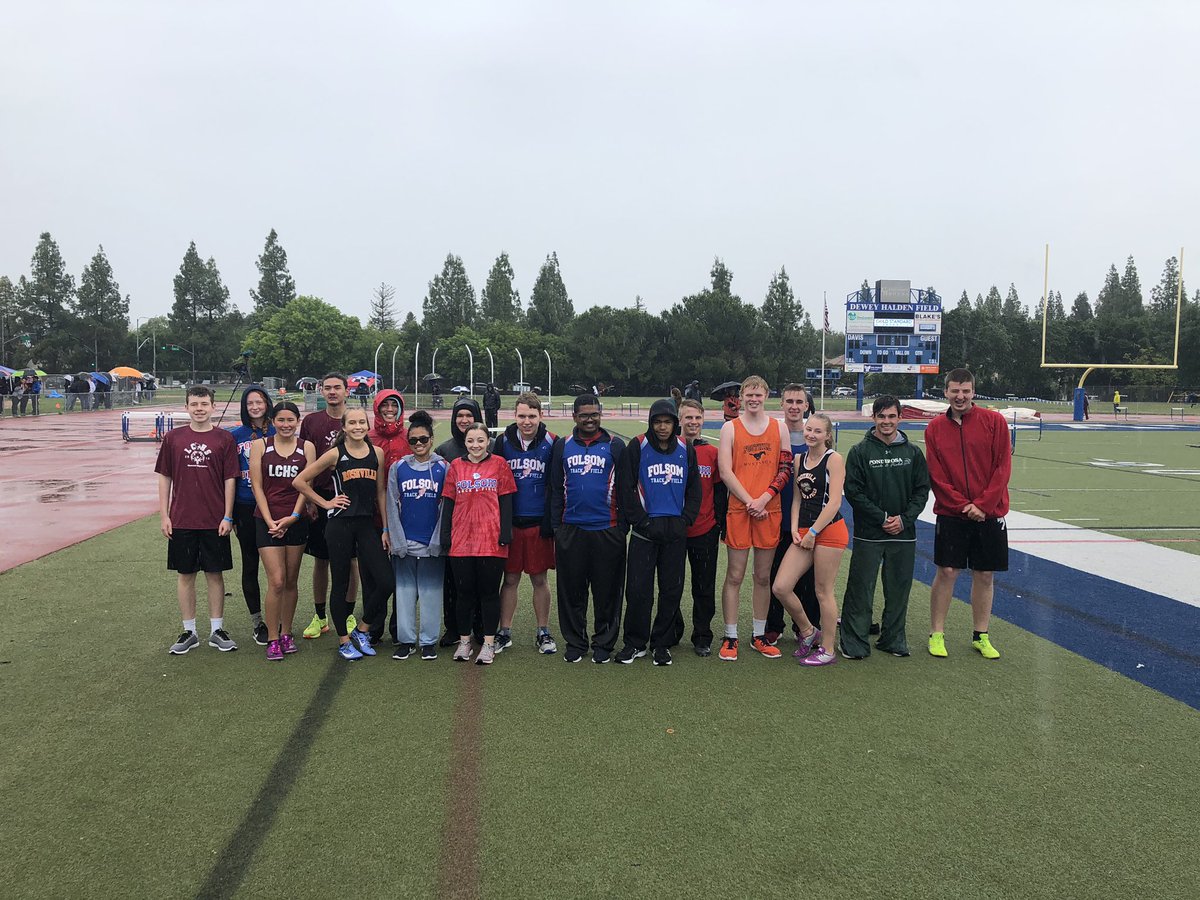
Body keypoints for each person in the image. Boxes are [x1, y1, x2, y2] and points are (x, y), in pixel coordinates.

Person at [924, 368, 1011, 660]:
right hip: (952, 513)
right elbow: (936, 475)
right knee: (947, 571)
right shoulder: (935, 428)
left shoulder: (994, 421)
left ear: (973, 391)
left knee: (984, 574)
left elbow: (1002, 468)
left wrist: (983, 505)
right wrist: (963, 505)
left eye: (965, 391)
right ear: (945, 392)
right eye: (954, 391)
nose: (960, 396)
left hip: (989, 513)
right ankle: (937, 633)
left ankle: (980, 635)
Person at [294, 407, 393, 661]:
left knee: (385, 581)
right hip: (339, 526)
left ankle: (362, 629)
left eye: (362, 422)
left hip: (366, 526)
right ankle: (344, 640)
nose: (358, 426)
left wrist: (384, 527)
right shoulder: (335, 454)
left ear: (368, 425)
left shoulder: (377, 453)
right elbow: (300, 481)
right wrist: (326, 503)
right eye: (353, 423)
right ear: (344, 427)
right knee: (340, 583)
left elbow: (380, 491)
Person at [838, 396, 931, 659]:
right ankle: (854, 642)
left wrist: (904, 519)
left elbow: (921, 490)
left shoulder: (913, 452)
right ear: (874, 418)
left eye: (891, 416)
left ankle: (893, 639)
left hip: (903, 534)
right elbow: (853, 492)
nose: (886, 422)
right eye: (881, 416)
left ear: (900, 417)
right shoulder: (860, 452)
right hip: (869, 533)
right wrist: (881, 517)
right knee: (861, 587)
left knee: (898, 588)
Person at [156, 385, 240, 655]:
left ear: (213, 407)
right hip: (182, 519)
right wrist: (164, 515)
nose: (199, 409)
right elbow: (164, 477)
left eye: (204, 404)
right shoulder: (173, 438)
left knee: (215, 574)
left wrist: (228, 514)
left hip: (215, 520)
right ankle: (189, 630)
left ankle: (216, 629)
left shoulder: (224, 439)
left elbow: (230, 479)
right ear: (186, 407)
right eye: (194, 404)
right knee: (186, 575)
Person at [616, 399, 700, 666]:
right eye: (658, 422)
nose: (662, 427)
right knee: (639, 590)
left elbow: (694, 489)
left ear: (675, 423)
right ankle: (634, 643)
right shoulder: (637, 445)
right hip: (645, 532)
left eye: (667, 422)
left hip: (675, 532)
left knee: (671, 591)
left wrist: (685, 520)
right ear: (651, 423)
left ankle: (661, 644)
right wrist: (640, 521)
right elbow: (625, 487)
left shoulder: (686, 449)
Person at [717, 376, 793, 661]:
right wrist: (750, 501)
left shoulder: (779, 427)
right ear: (741, 396)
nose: (753, 398)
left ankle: (758, 636)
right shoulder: (730, 428)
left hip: (769, 510)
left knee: (763, 576)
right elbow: (726, 472)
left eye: (758, 394)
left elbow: (785, 469)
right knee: (734, 575)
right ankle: (730, 636)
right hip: (740, 510)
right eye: (749, 394)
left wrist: (764, 498)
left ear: (766, 395)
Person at [548, 394, 627, 664]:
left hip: (608, 529)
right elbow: (556, 488)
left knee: (607, 591)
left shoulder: (616, 446)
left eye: (594, 414)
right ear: (574, 417)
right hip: (571, 530)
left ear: (600, 415)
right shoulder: (562, 446)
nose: (590, 419)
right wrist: (557, 527)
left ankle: (603, 643)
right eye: (584, 415)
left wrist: (622, 528)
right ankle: (576, 642)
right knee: (571, 590)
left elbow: (626, 490)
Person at [770, 413, 848, 666]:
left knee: (822, 591)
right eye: (809, 429)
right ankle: (807, 631)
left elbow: (835, 501)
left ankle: (827, 648)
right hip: (804, 531)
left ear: (827, 435)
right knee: (780, 586)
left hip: (829, 530)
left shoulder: (833, 459)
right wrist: (795, 529)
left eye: (818, 431)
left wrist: (813, 532)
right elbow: (796, 498)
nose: (811, 435)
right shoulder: (798, 459)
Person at [440, 422, 517, 665]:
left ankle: (488, 643)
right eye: (471, 441)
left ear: (487, 442)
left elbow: (506, 501)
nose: (476, 445)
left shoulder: (499, 464)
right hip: (461, 541)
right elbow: (449, 503)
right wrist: (445, 535)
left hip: (491, 541)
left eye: (480, 441)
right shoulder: (455, 466)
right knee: (464, 594)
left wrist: (505, 533)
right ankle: (464, 642)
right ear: (465, 442)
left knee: (488, 594)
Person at [492, 392, 559, 655]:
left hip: (538, 524)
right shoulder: (502, 442)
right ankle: (504, 631)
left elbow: (555, 486)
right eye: (522, 416)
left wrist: (550, 521)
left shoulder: (553, 443)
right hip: (510, 524)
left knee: (539, 579)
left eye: (532, 416)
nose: (527, 421)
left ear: (540, 416)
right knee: (509, 579)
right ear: (515, 416)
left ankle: (543, 631)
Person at [249, 401, 313, 661]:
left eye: (290, 420)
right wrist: (270, 520)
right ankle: (273, 637)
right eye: (281, 420)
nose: (286, 425)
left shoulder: (306, 447)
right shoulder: (260, 446)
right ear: (272, 421)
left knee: (290, 580)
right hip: (267, 521)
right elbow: (257, 486)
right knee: (276, 580)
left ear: (297, 421)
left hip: (296, 520)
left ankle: (287, 633)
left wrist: (294, 516)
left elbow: (305, 485)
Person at [383, 410, 448, 661]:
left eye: (423, 439)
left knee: (431, 593)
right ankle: (407, 640)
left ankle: (429, 641)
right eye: (414, 441)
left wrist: (437, 541)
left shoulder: (444, 467)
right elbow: (391, 503)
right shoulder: (399, 468)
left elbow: (446, 507)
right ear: (408, 442)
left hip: (432, 544)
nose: (419, 444)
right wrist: (397, 540)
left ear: (431, 439)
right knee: (404, 593)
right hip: (404, 544)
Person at [298, 373, 358, 639]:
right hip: (321, 497)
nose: (332, 392)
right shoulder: (311, 421)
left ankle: (348, 614)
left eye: (337, 388)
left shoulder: (355, 418)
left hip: (349, 499)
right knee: (321, 560)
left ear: (347, 391)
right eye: (328, 388)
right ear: (321, 391)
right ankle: (320, 616)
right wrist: (310, 499)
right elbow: (305, 464)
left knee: (351, 561)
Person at [766, 384, 821, 646]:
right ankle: (772, 625)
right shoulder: (773, 433)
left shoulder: (815, 435)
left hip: (808, 518)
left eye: (799, 401)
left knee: (807, 578)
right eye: (789, 401)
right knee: (773, 572)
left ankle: (807, 626)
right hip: (776, 513)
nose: (794, 406)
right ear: (781, 404)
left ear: (807, 405)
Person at [675, 398, 726, 656]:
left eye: (697, 418)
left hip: (705, 529)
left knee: (703, 586)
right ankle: (672, 631)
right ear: (679, 419)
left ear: (703, 420)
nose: (692, 423)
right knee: (672, 584)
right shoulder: (670, 449)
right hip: (674, 531)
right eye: (688, 418)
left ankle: (702, 635)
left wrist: (719, 523)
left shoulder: (712, 453)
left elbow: (719, 491)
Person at [434, 394, 484, 645]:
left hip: (485, 526)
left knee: (481, 581)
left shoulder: (491, 446)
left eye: (469, 415)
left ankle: (480, 626)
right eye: (460, 416)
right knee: (453, 582)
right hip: (456, 527)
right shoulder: (444, 450)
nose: (464, 420)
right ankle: (453, 628)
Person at [229, 385, 275, 645]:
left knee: (276, 567)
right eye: (250, 403)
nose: (255, 407)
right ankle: (258, 621)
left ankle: (276, 614)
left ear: (267, 403)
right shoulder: (236, 436)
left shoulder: (280, 429)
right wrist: (233, 513)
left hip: (275, 505)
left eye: (259, 402)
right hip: (246, 506)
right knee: (250, 563)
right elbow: (231, 476)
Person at [368, 388, 410, 644]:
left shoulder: (409, 436)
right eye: (385, 406)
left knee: (402, 575)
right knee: (374, 574)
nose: (390, 410)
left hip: (405, 516)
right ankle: (373, 626)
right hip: (372, 515)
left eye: (394, 405)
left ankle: (398, 627)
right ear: (377, 408)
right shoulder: (369, 436)